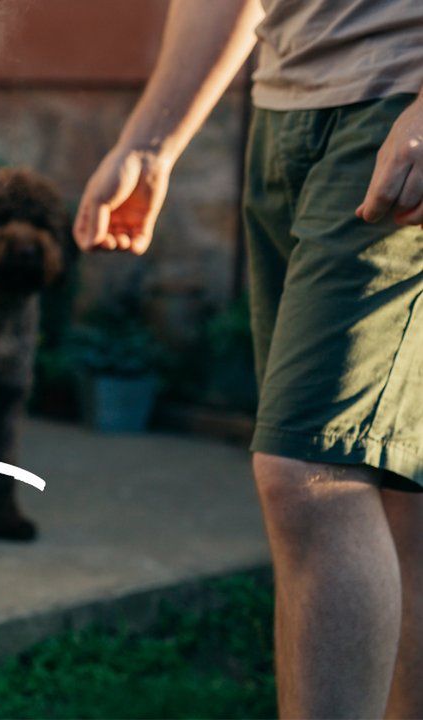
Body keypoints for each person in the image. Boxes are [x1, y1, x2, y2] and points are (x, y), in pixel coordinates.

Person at [74, 0, 422, 715]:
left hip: (397, 98)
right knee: (394, 486)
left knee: (311, 469)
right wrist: (149, 142)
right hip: (286, 106)